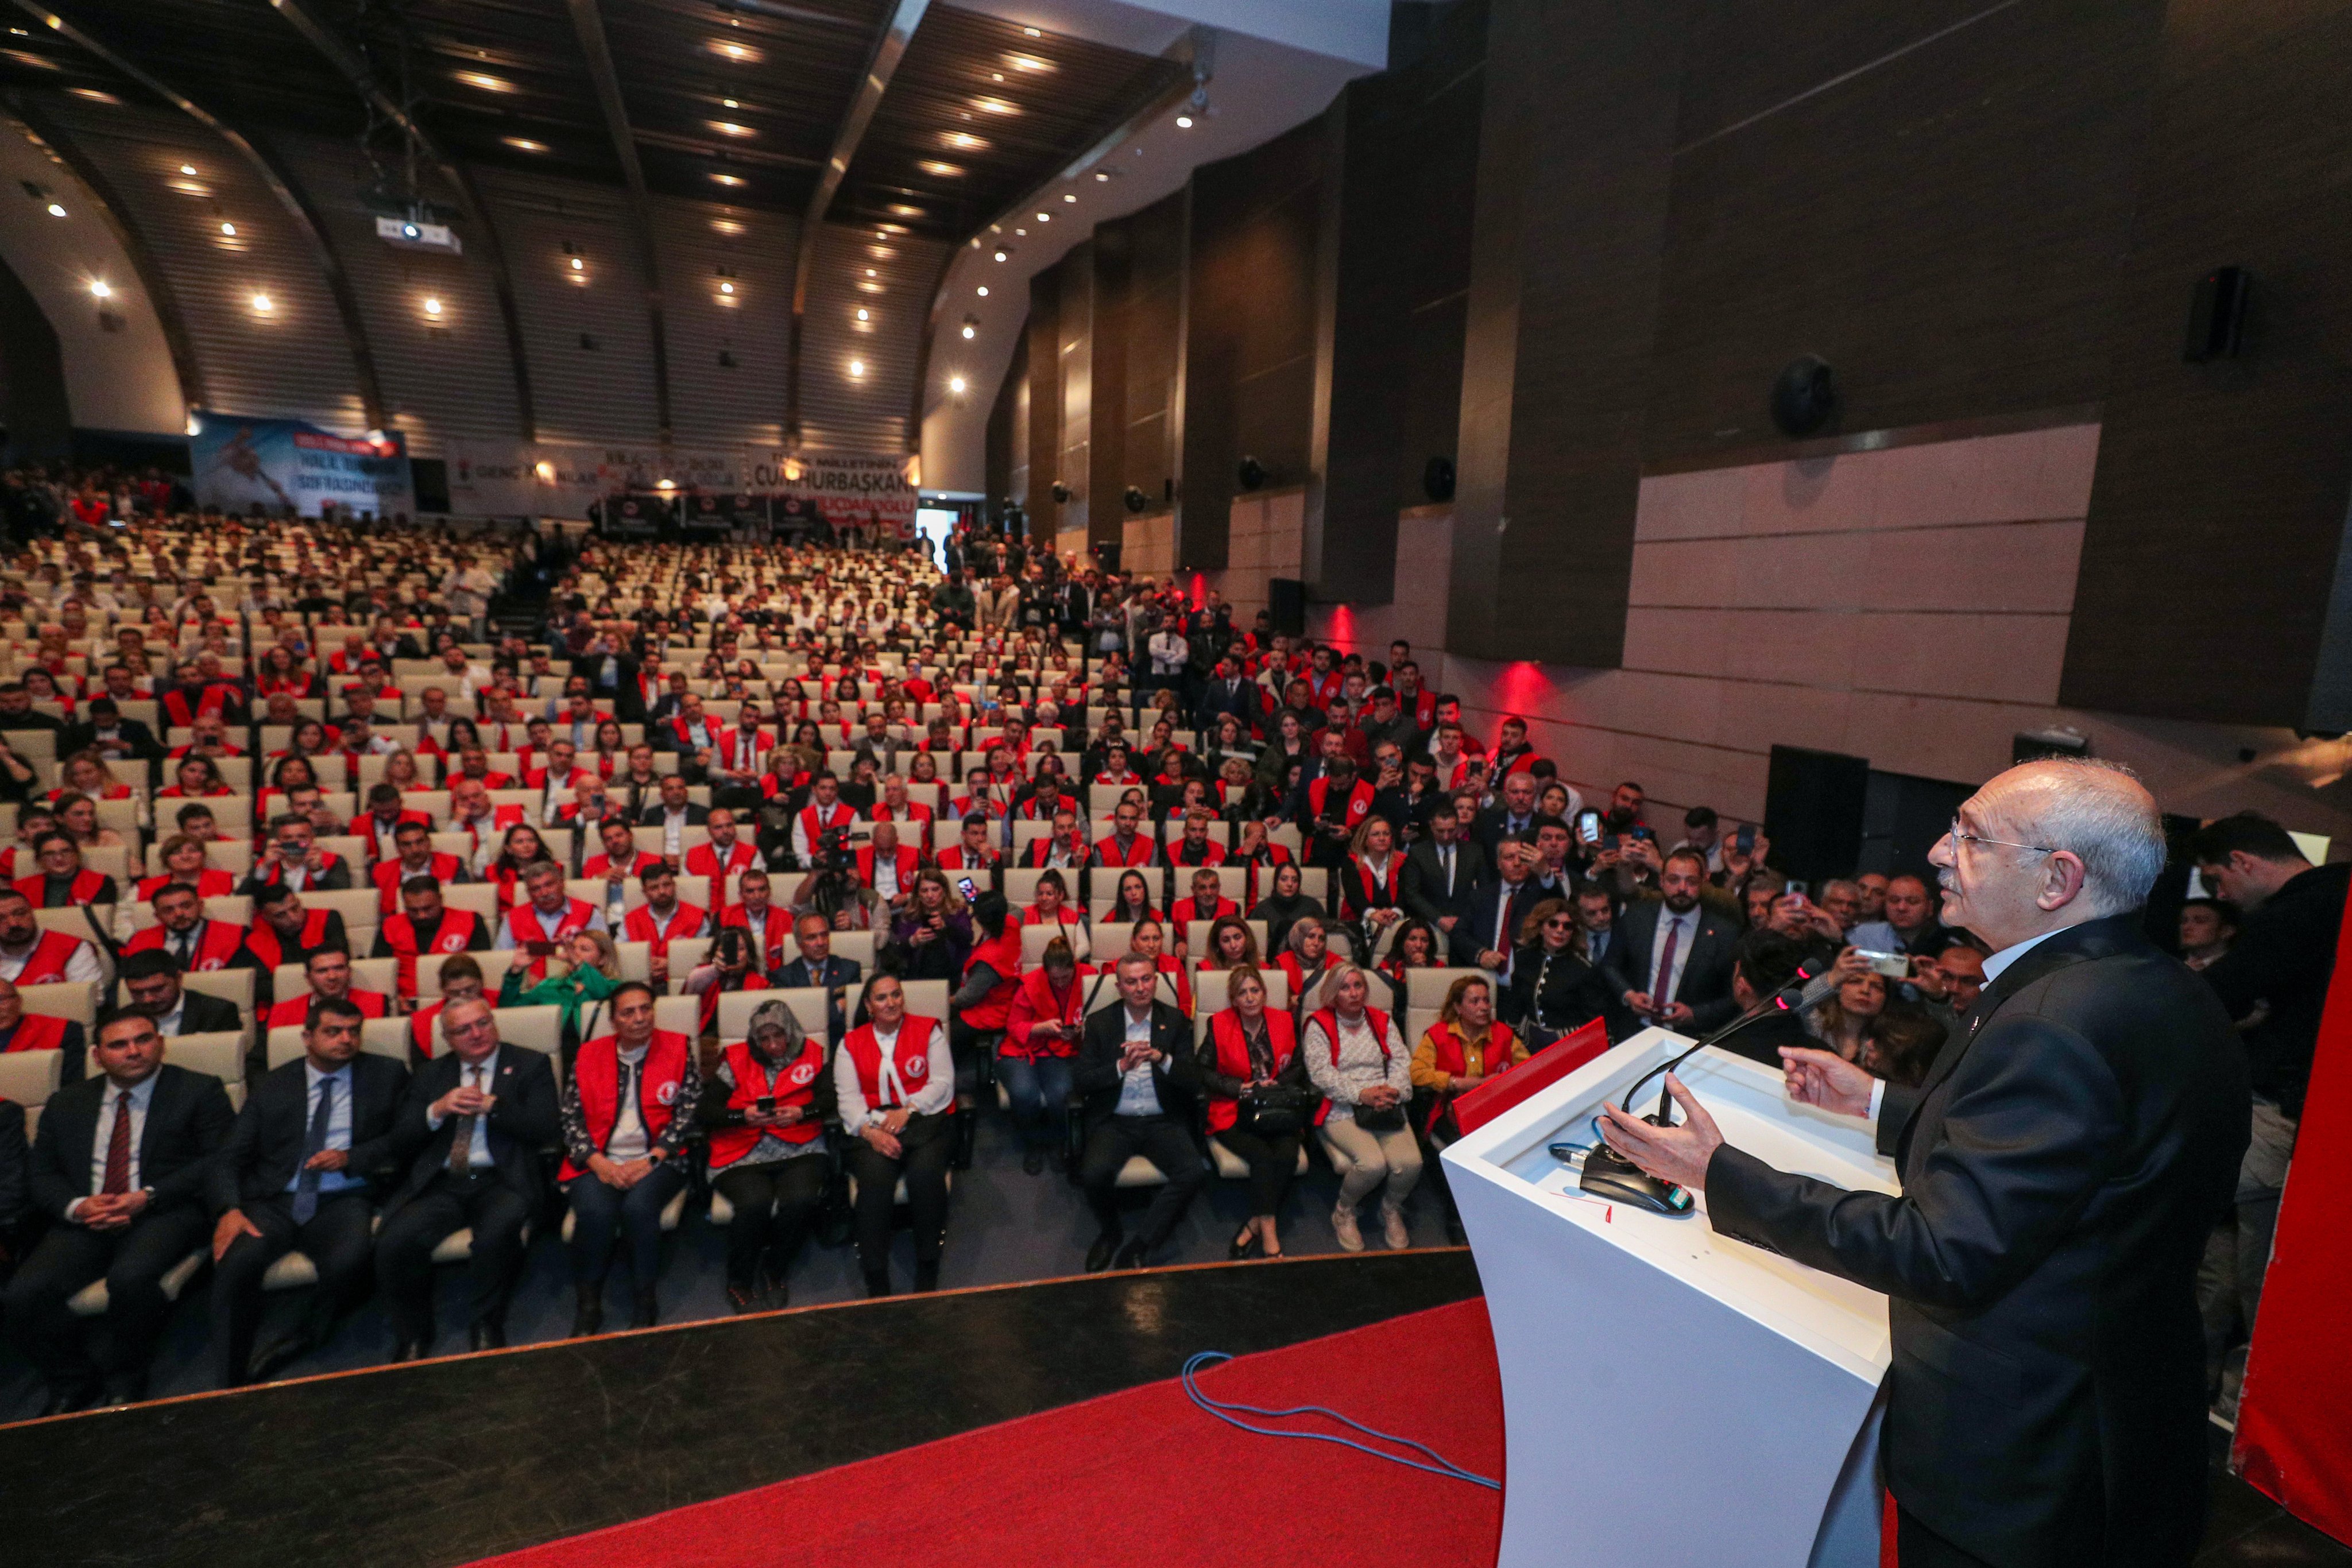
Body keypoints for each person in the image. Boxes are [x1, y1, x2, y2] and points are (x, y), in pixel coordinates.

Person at [1599, 759, 2248, 1568]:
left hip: (2024, 1456)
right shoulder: (2155, 987)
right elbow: (2079, 1165)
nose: (1939, 852)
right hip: (2120, 1411)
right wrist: (1878, 1103)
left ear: (2058, 878)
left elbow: (1945, 1250)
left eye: (1971, 836)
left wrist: (1720, 1173)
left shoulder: (2051, 1020)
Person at [2188, 811, 2351, 1422]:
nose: (2222, 899)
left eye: (2217, 882)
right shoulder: (2339, 898)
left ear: (2243, 862)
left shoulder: (2297, 912)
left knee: (2258, 1268)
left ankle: (2245, 1407)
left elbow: (2213, 995)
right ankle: (2227, 1396)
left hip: (2280, 1115)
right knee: (2233, 1259)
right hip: (2309, 1115)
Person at [4, 1008, 234, 1412]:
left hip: (163, 1210)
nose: (134, 1051)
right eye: (119, 1044)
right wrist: (77, 1206)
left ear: (160, 1043)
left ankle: (125, 1376)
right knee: (24, 1293)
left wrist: (148, 1195)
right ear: (97, 1055)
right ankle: (72, 1380)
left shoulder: (199, 1090)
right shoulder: (68, 1101)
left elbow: (219, 1160)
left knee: (131, 1278)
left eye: (144, 1039)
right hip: (87, 1217)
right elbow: (41, 1174)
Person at [205, 996, 408, 1387]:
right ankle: (228, 1380)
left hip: (345, 1195)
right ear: (307, 1037)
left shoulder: (387, 1074)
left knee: (348, 1262)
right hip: (275, 1199)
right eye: (333, 1031)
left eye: (353, 1031)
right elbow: (228, 1155)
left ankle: (306, 1335)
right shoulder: (272, 1084)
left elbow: (404, 1137)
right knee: (237, 1264)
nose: (345, 1040)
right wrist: (229, 1209)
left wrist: (352, 1156)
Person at [374, 995, 560, 1357]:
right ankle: (413, 1335)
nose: (477, 1034)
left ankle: (486, 1323)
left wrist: (495, 1107)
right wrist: (436, 1110)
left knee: (495, 1235)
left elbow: (547, 1129)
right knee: (395, 1240)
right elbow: (401, 1137)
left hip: (501, 1179)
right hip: (443, 1182)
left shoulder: (529, 1064)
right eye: (463, 1030)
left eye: (483, 1023)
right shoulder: (431, 1074)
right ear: (447, 1038)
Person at [560, 981, 698, 1334]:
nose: (640, 1018)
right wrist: (598, 1163)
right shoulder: (588, 1054)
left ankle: (645, 1296)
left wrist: (650, 1160)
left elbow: (687, 1114)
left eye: (645, 1009)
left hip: (659, 1160)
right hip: (598, 1159)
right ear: (613, 1021)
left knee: (639, 1209)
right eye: (628, 1012)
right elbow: (571, 1118)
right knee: (595, 1213)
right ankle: (588, 1300)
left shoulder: (679, 1048)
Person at [1074, 951, 1205, 1272]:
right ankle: (1111, 1232)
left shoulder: (1174, 1021)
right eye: (1131, 982)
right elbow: (1081, 1081)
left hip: (1161, 1119)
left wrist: (1162, 1059)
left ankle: (1142, 1243)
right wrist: (1120, 1066)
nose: (1140, 988)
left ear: (1156, 981)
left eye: (1146, 979)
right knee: (1092, 1174)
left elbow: (1194, 1080)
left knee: (1192, 1171)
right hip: (1116, 1121)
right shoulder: (1101, 1023)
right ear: (1119, 987)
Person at [700, 998, 831, 1312]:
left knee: (800, 1200)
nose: (773, 1045)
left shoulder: (813, 1053)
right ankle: (740, 1280)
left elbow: (830, 1101)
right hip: (743, 1149)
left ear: (792, 1031)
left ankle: (775, 1268)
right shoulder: (734, 1060)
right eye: (764, 1039)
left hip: (799, 1145)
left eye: (779, 1036)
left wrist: (803, 1112)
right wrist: (741, 1117)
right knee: (755, 1203)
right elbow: (705, 1112)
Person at [833, 973, 954, 1296]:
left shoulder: (929, 1030)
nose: (892, 1003)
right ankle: (875, 1271)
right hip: (872, 1126)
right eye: (882, 998)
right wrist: (871, 1133)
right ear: (869, 1006)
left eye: (896, 995)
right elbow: (848, 1099)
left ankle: (929, 1261)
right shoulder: (850, 1043)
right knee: (875, 1182)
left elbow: (943, 1083)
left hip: (923, 1119)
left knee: (925, 1175)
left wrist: (908, 1110)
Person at [1196, 963, 1311, 1260]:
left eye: (1254, 990)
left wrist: (1278, 1082)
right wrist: (1239, 1087)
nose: (1249, 998)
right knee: (1262, 1156)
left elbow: (1298, 1066)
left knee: (1287, 1155)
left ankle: (1253, 1224)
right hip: (1234, 1109)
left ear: (1264, 993)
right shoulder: (1219, 1024)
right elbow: (1203, 1071)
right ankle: (1270, 1233)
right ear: (1233, 1000)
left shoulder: (1284, 1020)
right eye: (1242, 993)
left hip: (1276, 1107)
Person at [1411, 973, 1527, 1241]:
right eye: (1475, 1001)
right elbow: (1417, 1073)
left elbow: (1527, 1069)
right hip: (1449, 1110)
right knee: (1466, 1157)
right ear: (1458, 1008)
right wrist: (1460, 1083)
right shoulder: (1438, 1035)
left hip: (1495, 1111)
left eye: (1486, 1000)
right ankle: (1458, 1218)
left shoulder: (1504, 1035)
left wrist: (1501, 1082)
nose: (1484, 1007)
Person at [1598, 849, 1740, 1032]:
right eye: (1674, 880)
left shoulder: (1725, 933)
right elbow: (1610, 965)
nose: (1682, 888)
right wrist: (1629, 995)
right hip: (1634, 1029)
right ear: (1661, 881)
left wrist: (1695, 1014)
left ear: (1703, 882)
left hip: (1689, 1037)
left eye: (1691, 881)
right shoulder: (1636, 917)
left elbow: (1735, 996)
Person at [1503, 897, 1614, 1046]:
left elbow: (1596, 1017)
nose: (1560, 930)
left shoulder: (1583, 969)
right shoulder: (1525, 957)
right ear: (1541, 927)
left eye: (1567, 926)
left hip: (1568, 1043)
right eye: (1553, 924)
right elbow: (1516, 1002)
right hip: (1528, 1039)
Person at [116, 948, 245, 1037]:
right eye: (137, 992)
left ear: (179, 979)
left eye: (158, 989)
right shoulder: (121, 1020)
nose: (148, 999)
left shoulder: (218, 1012)